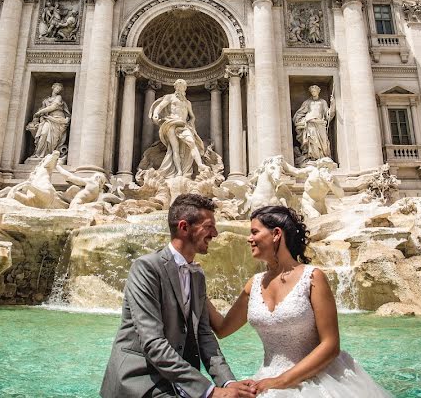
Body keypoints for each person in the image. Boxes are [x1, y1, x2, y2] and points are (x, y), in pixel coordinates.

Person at [207, 206, 391, 397]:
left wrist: (280, 381)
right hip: (267, 379)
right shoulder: (253, 284)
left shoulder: (313, 278)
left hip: (319, 380)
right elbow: (222, 329)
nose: (249, 238)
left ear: (276, 234)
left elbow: (330, 345)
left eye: (254, 232)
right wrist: (195, 285)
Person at [101, 194, 257, 398]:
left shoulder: (197, 275)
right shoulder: (147, 268)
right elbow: (153, 342)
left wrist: (228, 383)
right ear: (184, 227)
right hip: (140, 381)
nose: (215, 233)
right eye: (209, 226)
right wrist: (209, 392)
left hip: (178, 383)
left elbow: (204, 336)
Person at [150, 79, 208, 178]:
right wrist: (155, 114)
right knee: (175, 148)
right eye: (178, 86)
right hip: (171, 123)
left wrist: (191, 123)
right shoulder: (170, 97)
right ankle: (179, 171)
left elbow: (192, 116)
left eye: (182, 86)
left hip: (184, 125)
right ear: (175, 87)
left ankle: (200, 165)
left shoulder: (187, 102)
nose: (180, 88)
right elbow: (160, 107)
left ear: (185, 88)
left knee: (192, 143)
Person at [292, 86, 335, 166]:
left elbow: (328, 115)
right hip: (310, 123)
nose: (313, 93)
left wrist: (333, 104)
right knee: (312, 141)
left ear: (318, 91)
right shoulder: (307, 102)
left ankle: (322, 157)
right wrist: (303, 120)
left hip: (320, 124)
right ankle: (312, 158)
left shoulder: (322, 102)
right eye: (312, 91)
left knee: (323, 143)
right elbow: (299, 113)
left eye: (315, 91)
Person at [27, 83, 70, 160]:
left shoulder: (59, 97)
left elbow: (53, 107)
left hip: (58, 120)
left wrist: (40, 112)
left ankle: (49, 154)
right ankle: (38, 154)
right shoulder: (45, 100)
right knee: (43, 133)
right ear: (53, 88)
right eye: (57, 88)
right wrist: (37, 117)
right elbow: (41, 110)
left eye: (59, 89)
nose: (58, 90)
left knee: (53, 139)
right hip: (48, 119)